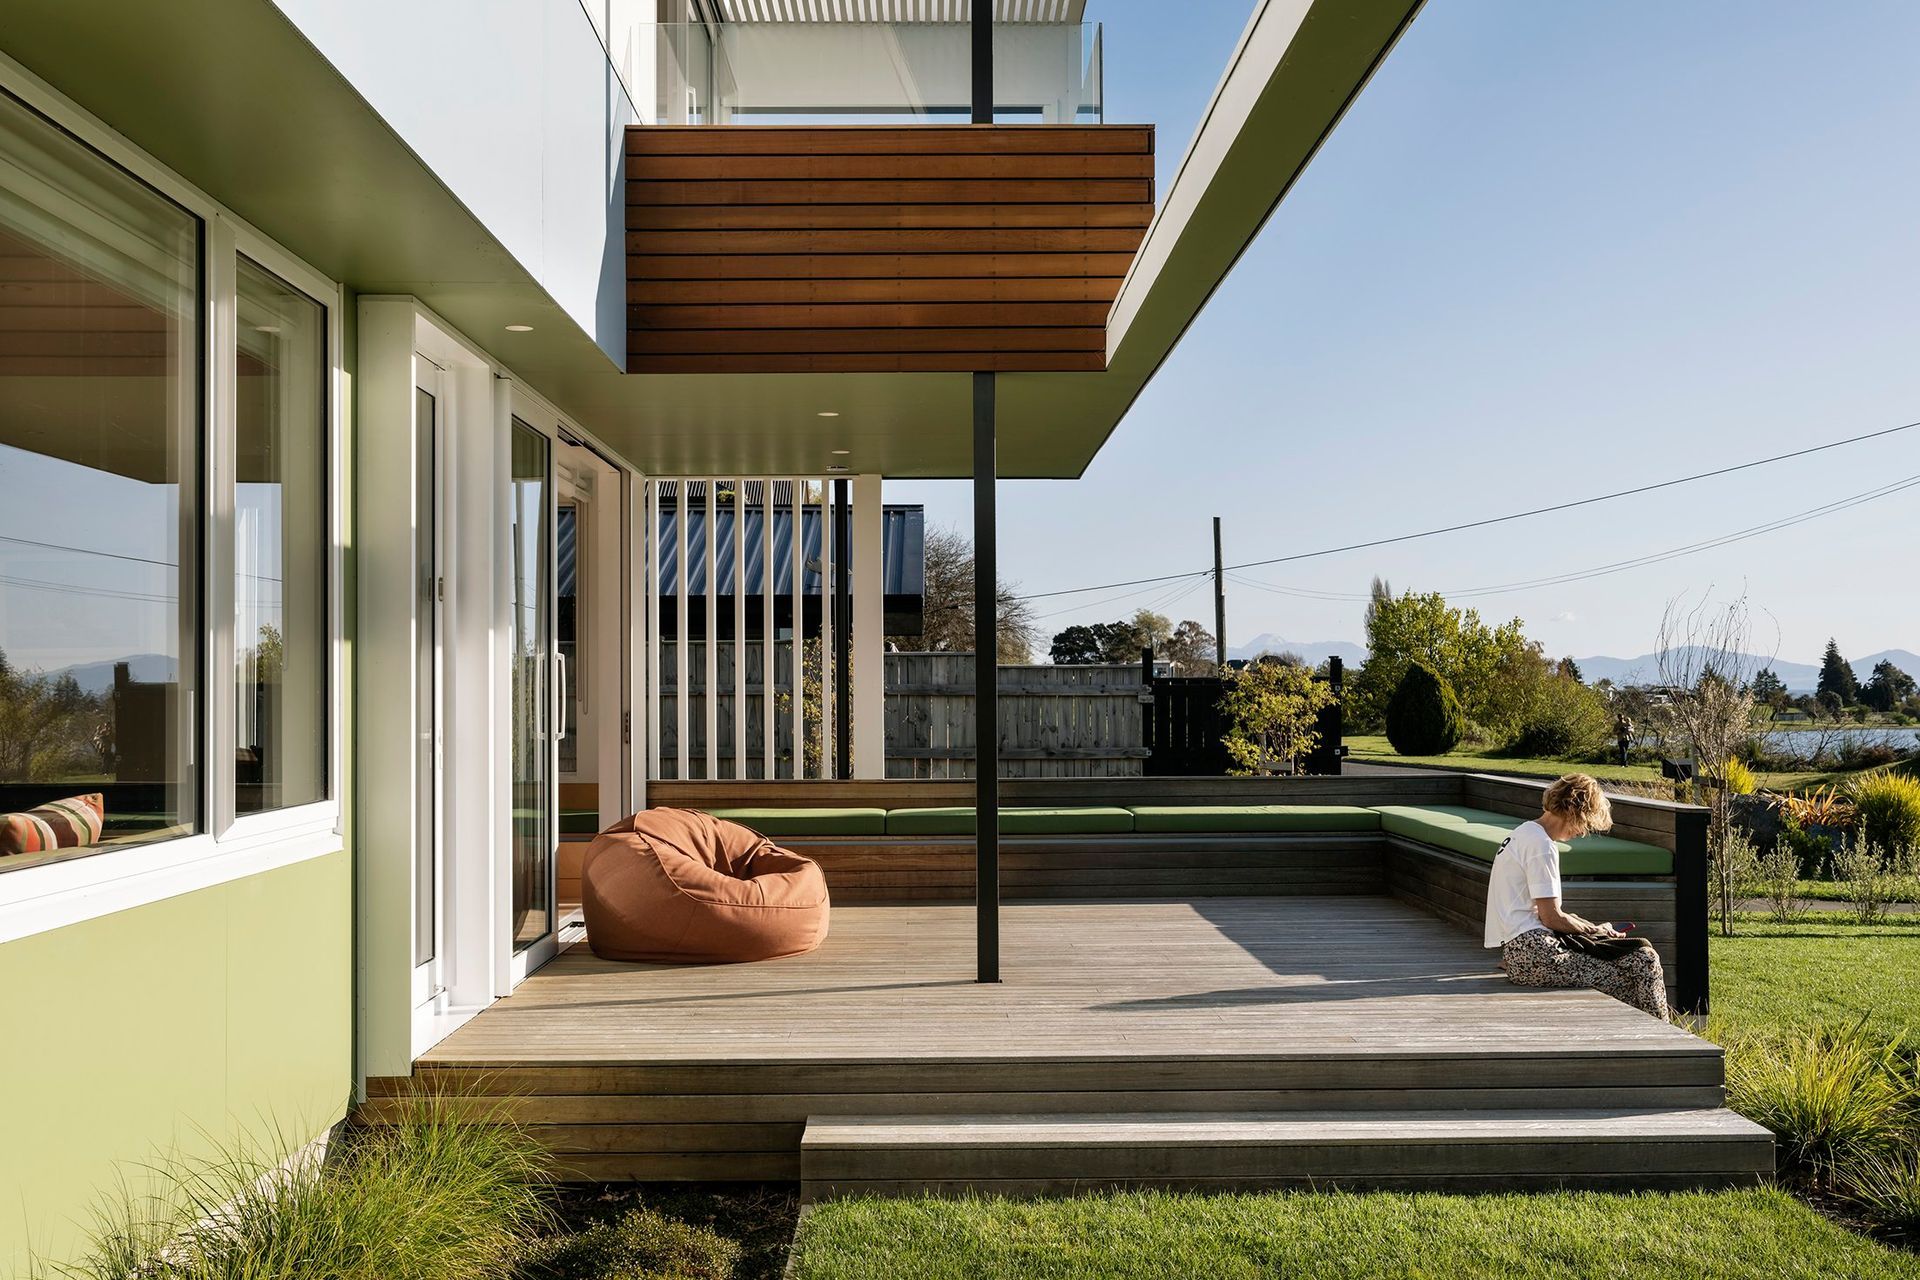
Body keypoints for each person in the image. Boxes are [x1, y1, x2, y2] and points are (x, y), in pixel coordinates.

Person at [1484, 773, 1669, 1019]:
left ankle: (1651, 1033)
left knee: (1637, 962)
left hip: (1520, 953)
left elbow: (1539, 913)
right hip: (1536, 955)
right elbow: (1551, 918)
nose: (1582, 832)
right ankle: (1662, 1034)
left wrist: (1593, 928)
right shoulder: (1542, 846)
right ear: (1574, 811)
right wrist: (1593, 931)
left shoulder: (1523, 833)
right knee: (1643, 964)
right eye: (1585, 823)